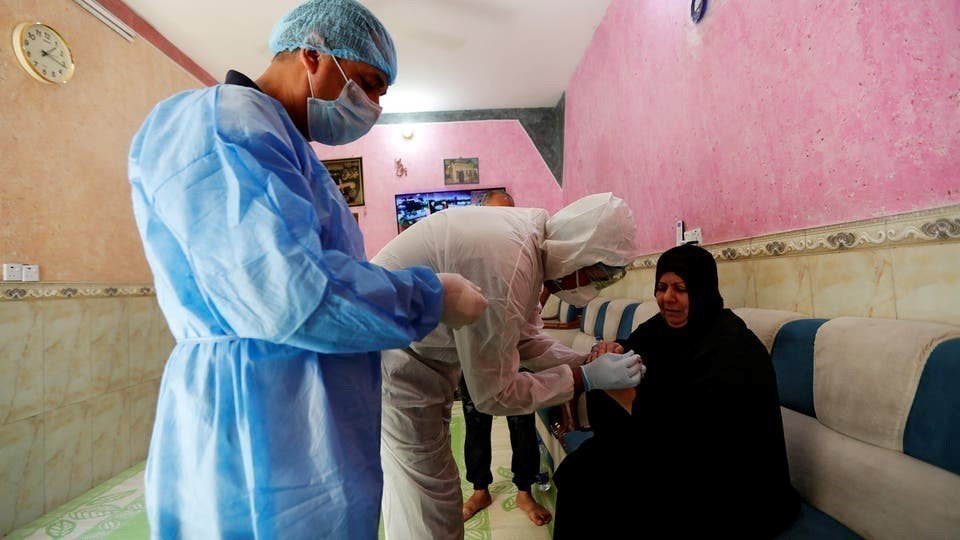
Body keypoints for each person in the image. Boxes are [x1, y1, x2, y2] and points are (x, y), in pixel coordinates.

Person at [127, 1, 486, 537]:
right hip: (256, 420)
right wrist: (430, 296)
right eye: (368, 83)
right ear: (312, 54)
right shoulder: (221, 123)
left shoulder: (289, 151)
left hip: (308, 420)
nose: (373, 106)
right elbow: (291, 293)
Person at [372, 192, 645, 539]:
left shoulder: (528, 244)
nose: (594, 289)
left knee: (418, 490)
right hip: (395, 360)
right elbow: (493, 395)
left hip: (418, 358)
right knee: (429, 503)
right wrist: (584, 377)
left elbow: (524, 338)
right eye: (598, 277)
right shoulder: (510, 264)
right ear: (579, 254)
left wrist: (584, 359)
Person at [552, 243, 800, 539]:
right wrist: (612, 349)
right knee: (581, 470)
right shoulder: (663, 327)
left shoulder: (735, 347)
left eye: (680, 288)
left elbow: (697, 434)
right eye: (661, 287)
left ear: (702, 291)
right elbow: (633, 347)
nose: (667, 298)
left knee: (600, 489)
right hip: (670, 456)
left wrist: (629, 400)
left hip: (730, 485)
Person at [457, 188, 550, 526]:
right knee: (475, 421)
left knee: (522, 419)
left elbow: (533, 306)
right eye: (496, 214)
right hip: (475, 348)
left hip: (515, 347)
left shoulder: (523, 253)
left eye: (510, 213)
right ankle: (479, 489)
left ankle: (525, 490)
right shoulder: (468, 250)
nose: (504, 222)